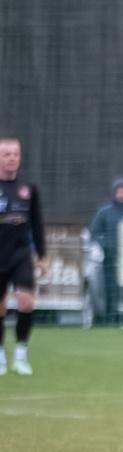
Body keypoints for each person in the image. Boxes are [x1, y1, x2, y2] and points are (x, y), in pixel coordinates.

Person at [0, 137, 45, 376]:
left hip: (20, 255)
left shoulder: (28, 189)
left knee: (26, 301)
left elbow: (37, 223)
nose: (11, 158)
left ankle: (21, 354)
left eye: (15, 154)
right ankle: (0, 357)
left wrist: (42, 254)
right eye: (6, 154)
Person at [89, 176, 123, 323]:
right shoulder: (104, 211)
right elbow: (94, 233)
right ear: (114, 193)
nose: (121, 194)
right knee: (110, 289)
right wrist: (105, 245)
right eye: (118, 191)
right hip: (110, 259)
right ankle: (110, 317)